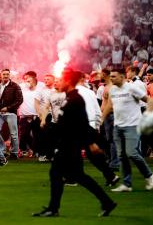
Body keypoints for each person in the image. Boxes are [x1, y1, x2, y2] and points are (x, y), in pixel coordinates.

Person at [33, 69, 117, 217]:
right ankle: (106, 202)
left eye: (62, 79)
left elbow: (82, 124)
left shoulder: (75, 99)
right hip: (69, 143)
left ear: (68, 81)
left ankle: (54, 208)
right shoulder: (71, 97)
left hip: (69, 144)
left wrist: (91, 143)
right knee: (78, 176)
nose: (59, 82)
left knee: (57, 173)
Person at [102, 69, 153, 192]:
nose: (111, 78)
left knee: (132, 153)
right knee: (121, 156)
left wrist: (147, 116)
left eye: (114, 76)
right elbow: (110, 105)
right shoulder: (112, 89)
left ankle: (150, 176)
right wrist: (101, 119)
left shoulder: (131, 88)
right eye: (111, 76)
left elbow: (149, 100)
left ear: (122, 77)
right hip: (118, 126)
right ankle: (126, 184)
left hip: (133, 125)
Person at [0, 69, 23, 159]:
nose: (5, 76)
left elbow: (20, 100)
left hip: (11, 113)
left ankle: (14, 153)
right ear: (1, 75)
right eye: (4, 74)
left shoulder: (15, 86)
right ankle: (2, 151)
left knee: (13, 134)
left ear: (9, 75)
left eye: (7, 74)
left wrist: (8, 108)